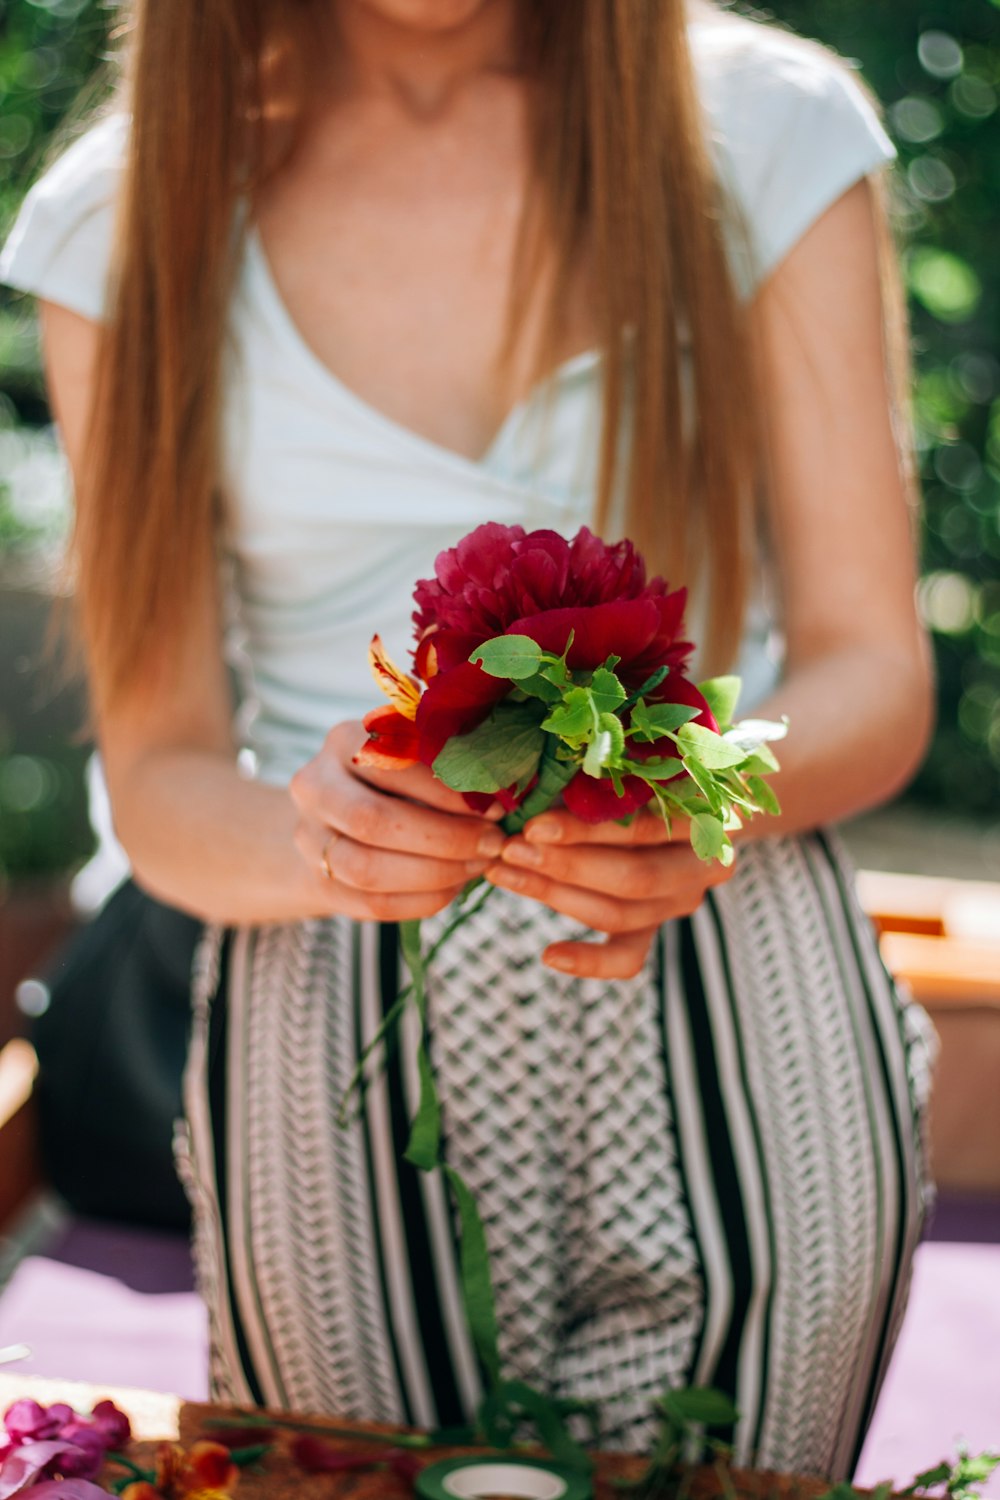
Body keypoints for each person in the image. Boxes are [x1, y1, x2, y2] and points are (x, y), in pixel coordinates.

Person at [1, 0, 937, 1478]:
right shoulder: (116, 217)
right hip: (328, 1005)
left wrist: (686, 805)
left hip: (740, 957)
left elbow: (873, 671)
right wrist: (329, 833)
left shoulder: (773, 129)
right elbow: (162, 773)